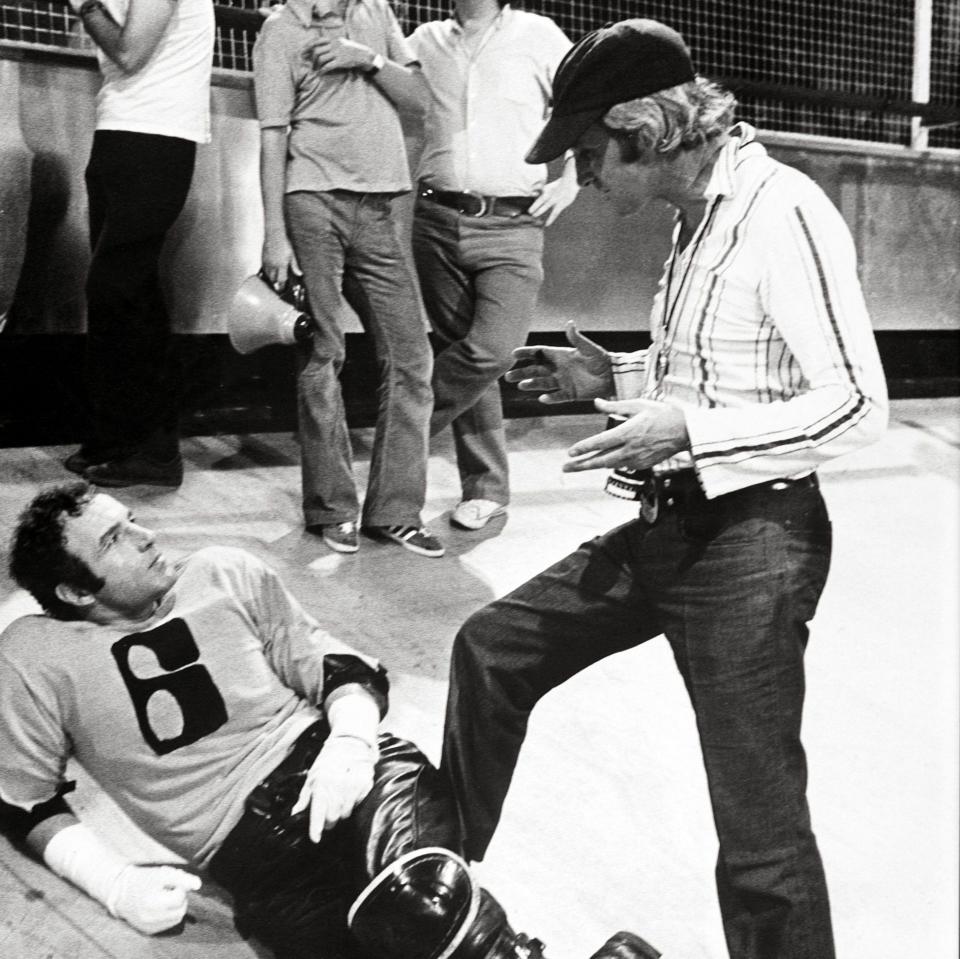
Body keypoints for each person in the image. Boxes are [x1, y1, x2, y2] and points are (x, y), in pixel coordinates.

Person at [440, 19, 889, 959]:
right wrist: (615, 384)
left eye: (592, 153)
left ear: (645, 132)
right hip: (668, 527)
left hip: (754, 543)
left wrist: (688, 427)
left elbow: (854, 404)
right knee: (491, 649)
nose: (586, 175)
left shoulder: (782, 209)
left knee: (760, 837)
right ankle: (424, 889)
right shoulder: (697, 221)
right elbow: (727, 375)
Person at [0, 482, 659, 959]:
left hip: (356, 776)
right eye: (115, 539)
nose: (147, 536)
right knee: (380, 943)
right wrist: (110, 882)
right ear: (75, 591)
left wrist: (350, 738)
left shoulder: (223, 571)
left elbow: (338, 666)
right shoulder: (36, 654)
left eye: (134, 519)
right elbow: (22, 801)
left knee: (415, 904)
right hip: (255, 861)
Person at [253, 0, 443, 558]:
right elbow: (272, 135)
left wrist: (367, 59)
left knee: (412, 358)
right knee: (322, 352)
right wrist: (273, 234)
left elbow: (419, 102)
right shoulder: (280, 29)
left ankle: (395, 512)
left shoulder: (375, 14)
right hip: (314, 201)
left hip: (382, 207)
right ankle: (332, 509)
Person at [407, 0, 580, 532]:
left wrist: (573, 175)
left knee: (491, 351)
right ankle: (486, 489)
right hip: (435, 219)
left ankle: (400, 436)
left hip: (513, 223)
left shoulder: (539, 34)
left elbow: (584, 103)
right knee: (460, 347)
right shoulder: (423, 42)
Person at [63, 0, 215, 488]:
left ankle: (154, 448)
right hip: (121, 132)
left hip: (157, 138)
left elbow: (130, 53)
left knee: (114, 289)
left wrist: (85, 6)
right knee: (131, 294)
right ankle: (125, 441)